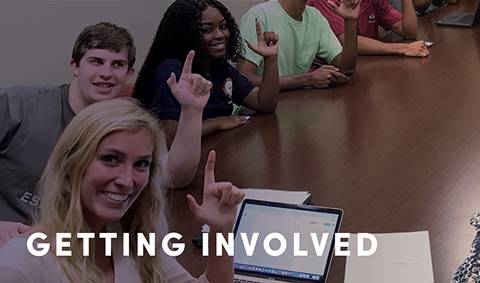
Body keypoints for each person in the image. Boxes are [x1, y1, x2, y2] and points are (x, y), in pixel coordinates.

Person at [0, 98, 245, 282]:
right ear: (72, 163)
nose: (128, 181)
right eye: (111, 159)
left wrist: (221, 231)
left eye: (141, 164)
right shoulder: (23, 264)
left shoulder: (132, 240)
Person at [1, 22, 206, 240]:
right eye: (96, 62)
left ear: (129, 73)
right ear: (75, 66)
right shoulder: (17, 105)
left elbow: (175, 177)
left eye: (117, 64)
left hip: (71, 249)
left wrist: (192, 111)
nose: (106, 73)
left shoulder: (128, 124)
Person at [135, 0, 280, 138]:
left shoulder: (219, 65)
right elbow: (171, 135)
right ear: (186, 33)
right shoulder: (171, 70)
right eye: (207, 30)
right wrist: (216, 123)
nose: (220, 35)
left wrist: (271, 58)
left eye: (223, 27)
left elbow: (265, 103)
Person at [237, 0, 360, 90]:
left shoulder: (315, 17)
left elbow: (346, 68)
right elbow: (244, 80)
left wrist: (350, 22)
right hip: (255, 114)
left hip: (295, 104)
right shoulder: (258, 16)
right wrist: (307, 79)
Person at [308, 0, 429, 57]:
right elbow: (344, 41)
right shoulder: (326, 1)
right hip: (332, 76)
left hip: (368, 66)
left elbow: (409, 32)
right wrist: (403, 48)